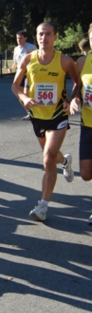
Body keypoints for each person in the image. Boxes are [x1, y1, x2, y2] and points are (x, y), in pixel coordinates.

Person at [11, 22, 78, 221]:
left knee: (48, 158)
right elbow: (15, 86)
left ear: (55, 37)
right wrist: (24, 98)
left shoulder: (65, 61)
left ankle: (43, 206)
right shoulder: (27, 60)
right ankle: (65, 161)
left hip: (58, 114)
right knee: (51, 156)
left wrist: (71, 99)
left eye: (48, 34)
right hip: (37, 116)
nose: (44, 38)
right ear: (36, 36)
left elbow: (77, 82)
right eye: (41, 34)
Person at [75, 27, 92, 224]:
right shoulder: (82, 61)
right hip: (87, 124)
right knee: (86, 174)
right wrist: (73, 100)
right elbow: (77, 87)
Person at [9, 30, 37, 121]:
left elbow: (39, 58)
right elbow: (15, 63)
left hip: (29, 73)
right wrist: (12, 68)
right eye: (17, 38)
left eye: (21, 38)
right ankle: (29, 112)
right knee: (20, 96)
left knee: (26, 94)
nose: (19, 40)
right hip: (19, 74)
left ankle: (36, 112)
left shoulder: (31, 47)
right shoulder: (16, 49)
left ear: (25, 38)